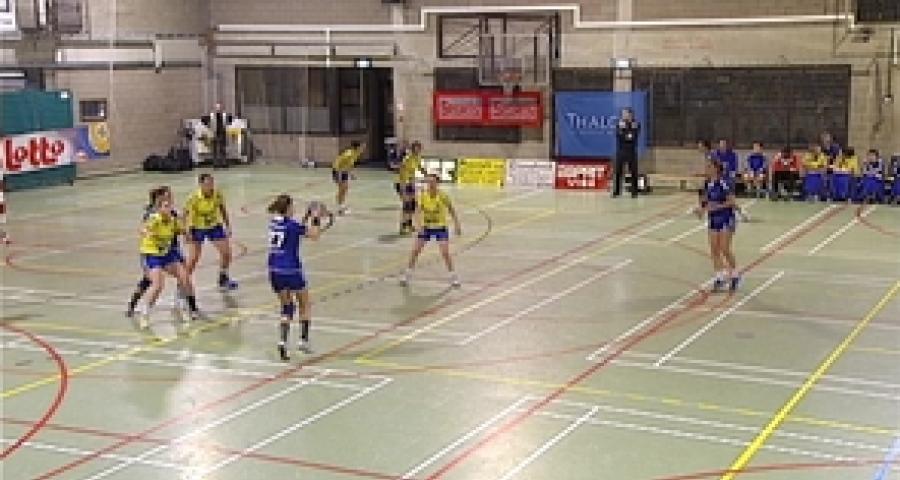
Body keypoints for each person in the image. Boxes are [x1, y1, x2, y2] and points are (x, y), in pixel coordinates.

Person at [267, 194, 330, 360]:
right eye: (292, 206)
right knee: (305, 303)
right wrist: (316, 218)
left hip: (274, 270)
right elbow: (314, 235)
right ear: (288, 208)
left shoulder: (274, 223)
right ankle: (303, 341)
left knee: (287, 307)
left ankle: (282, 342)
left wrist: (307, 216)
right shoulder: (292, 226)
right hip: (291, 269)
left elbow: (297, 231)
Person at [137, 193, 202, 329]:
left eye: (170, 205)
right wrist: (146, 232)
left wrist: (187, 235)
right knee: (158, 285)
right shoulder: (155, 219)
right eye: (165, 206)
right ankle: (145, 313)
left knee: (185, 277)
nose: (169, 208)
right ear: (159, 208)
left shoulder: (173, 220)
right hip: (153, 254)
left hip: (167, 254)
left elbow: (181, 230)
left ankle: (193, 308)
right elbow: (143, 228)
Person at [401, 174, 462, 287]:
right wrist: (419, 225)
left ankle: (453, 277)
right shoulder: (423, 196)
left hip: (440, 227)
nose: (430, 184)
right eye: (428, 182)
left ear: (437, 183)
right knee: (415, 251)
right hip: (426, 227)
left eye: (432, 182)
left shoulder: (443, 196)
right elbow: (417, 211)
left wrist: (457, 225)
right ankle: (407, 275)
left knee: (445, 252)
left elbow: (451, 210)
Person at [184, 173, 238, 291]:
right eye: (207, 184)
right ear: (201, 185)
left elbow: (223, 209)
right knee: (193, 258)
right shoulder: (194, 198)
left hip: (214, 226)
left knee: (226, 253)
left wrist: (228, 225)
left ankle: (223, 278)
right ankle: (182, 284)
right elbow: (185, 215)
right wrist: (186, 232)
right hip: (197, 228)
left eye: (212, 183)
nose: (210, 186)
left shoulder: (217, 194)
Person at [700, 159, 740, 292]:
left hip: (726, 218)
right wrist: (701, 209)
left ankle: (735, 275)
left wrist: (715, 207)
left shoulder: (725, 183)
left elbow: (732, 202)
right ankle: (720, 277)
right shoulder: (707, 184)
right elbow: (705, 200)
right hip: (713, 219)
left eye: (709, 167)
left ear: (716, 169)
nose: (707, 169)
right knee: (714, 249)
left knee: (725, 249)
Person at [395, 141, 425, 235]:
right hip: (402, 183)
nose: (418, 150)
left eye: (419, 148)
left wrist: (428, 175)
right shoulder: (407, 159)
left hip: (410, 183)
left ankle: (409, 224)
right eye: (416, 148)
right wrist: (403, 190)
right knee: (407, 205)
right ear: (413, 149)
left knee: (413, 205)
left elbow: (420, 168)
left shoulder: (417, 158)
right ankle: (402, 227)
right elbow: (402, 174)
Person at [612, 108, 640, 198]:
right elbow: (619, 136)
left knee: (633, 171)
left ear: (630, 114)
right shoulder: (619, 124)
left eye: (625, 114)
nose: (623, 115)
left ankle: (634, 191)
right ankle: (617, 191)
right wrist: (625, 132)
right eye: (622, 114)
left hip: (631, 151)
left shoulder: (635, 124)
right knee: (618, 172)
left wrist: (626, 133)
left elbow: (633, 137)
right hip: (621, 151)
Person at [332, 141, 364, 216]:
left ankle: (341, 206)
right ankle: (339, 208)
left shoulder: (356, 154)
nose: (363, 148)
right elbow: (338, 163)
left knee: (345, 189)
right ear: (357, 147)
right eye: (361, 147)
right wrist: (338, 174)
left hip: (344, 171)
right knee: (341, 189)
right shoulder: (348, 154)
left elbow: (350, 165)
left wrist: (351, 174)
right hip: (338, 171)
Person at [208, 103, 232, 168]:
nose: (218, 110)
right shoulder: (212, 116)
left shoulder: (224, 115)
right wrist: (211, 130)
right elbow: (209, 124)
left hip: (222, 133)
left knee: (223, 149)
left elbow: (228, 123)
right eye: (217, 108)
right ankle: (215, 163)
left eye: (219, 108)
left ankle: (224, 162)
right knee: (215, 149)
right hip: (214, 133)